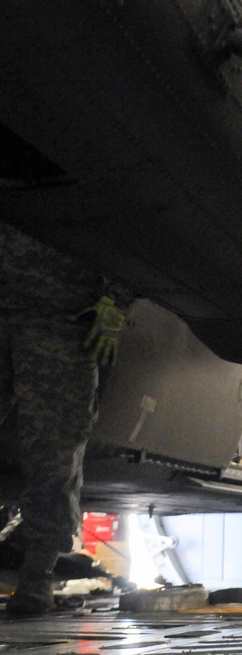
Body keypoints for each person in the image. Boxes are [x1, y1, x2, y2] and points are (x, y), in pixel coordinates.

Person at [1, 222, 130, 614]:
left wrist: (116, 299)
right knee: (54, 448)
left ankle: (37, 574)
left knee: (54, 449)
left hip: (62, 317)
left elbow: (129, 220)